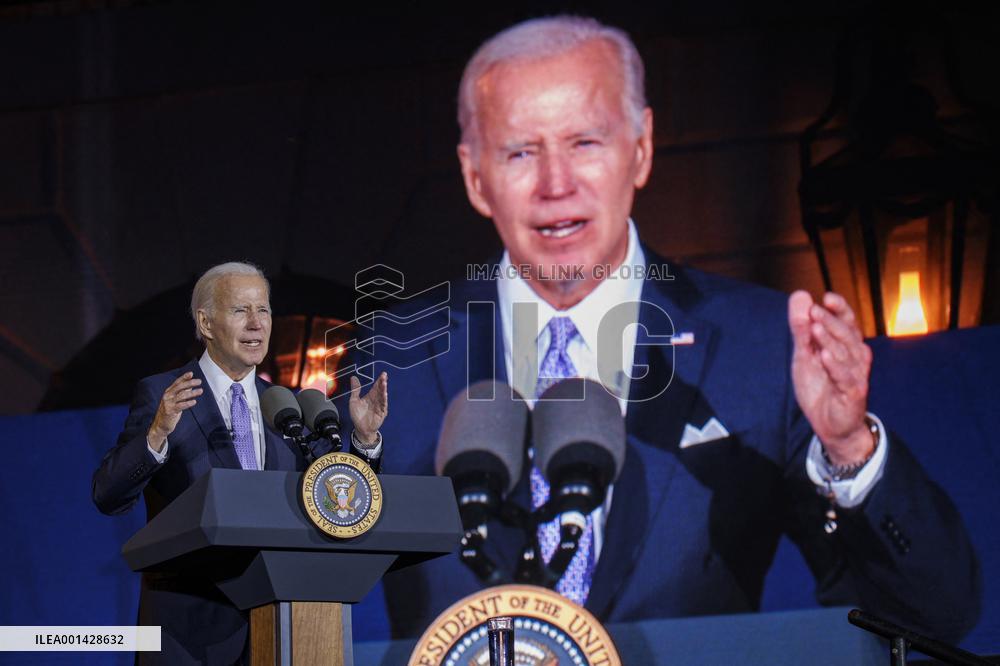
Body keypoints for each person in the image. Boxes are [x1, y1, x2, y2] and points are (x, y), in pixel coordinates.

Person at [341, 16, 980, 642]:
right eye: (520, 152)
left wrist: (848, 449)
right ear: (475, 177)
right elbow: (299, 581)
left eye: (585, 143)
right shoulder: (395, 357)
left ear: (641, 148)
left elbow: (932, 619)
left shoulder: (759, 349)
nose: (556, 185)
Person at [92, 261, 387, 665]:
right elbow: (108, 494)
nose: (256, 323)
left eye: (263, 310)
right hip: (187, 632)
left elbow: (337, 502)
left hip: (280, 627)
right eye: (240, 310)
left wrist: (365, 440)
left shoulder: (286, 407)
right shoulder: (163, 394)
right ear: (206, 323)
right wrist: (157, 433)